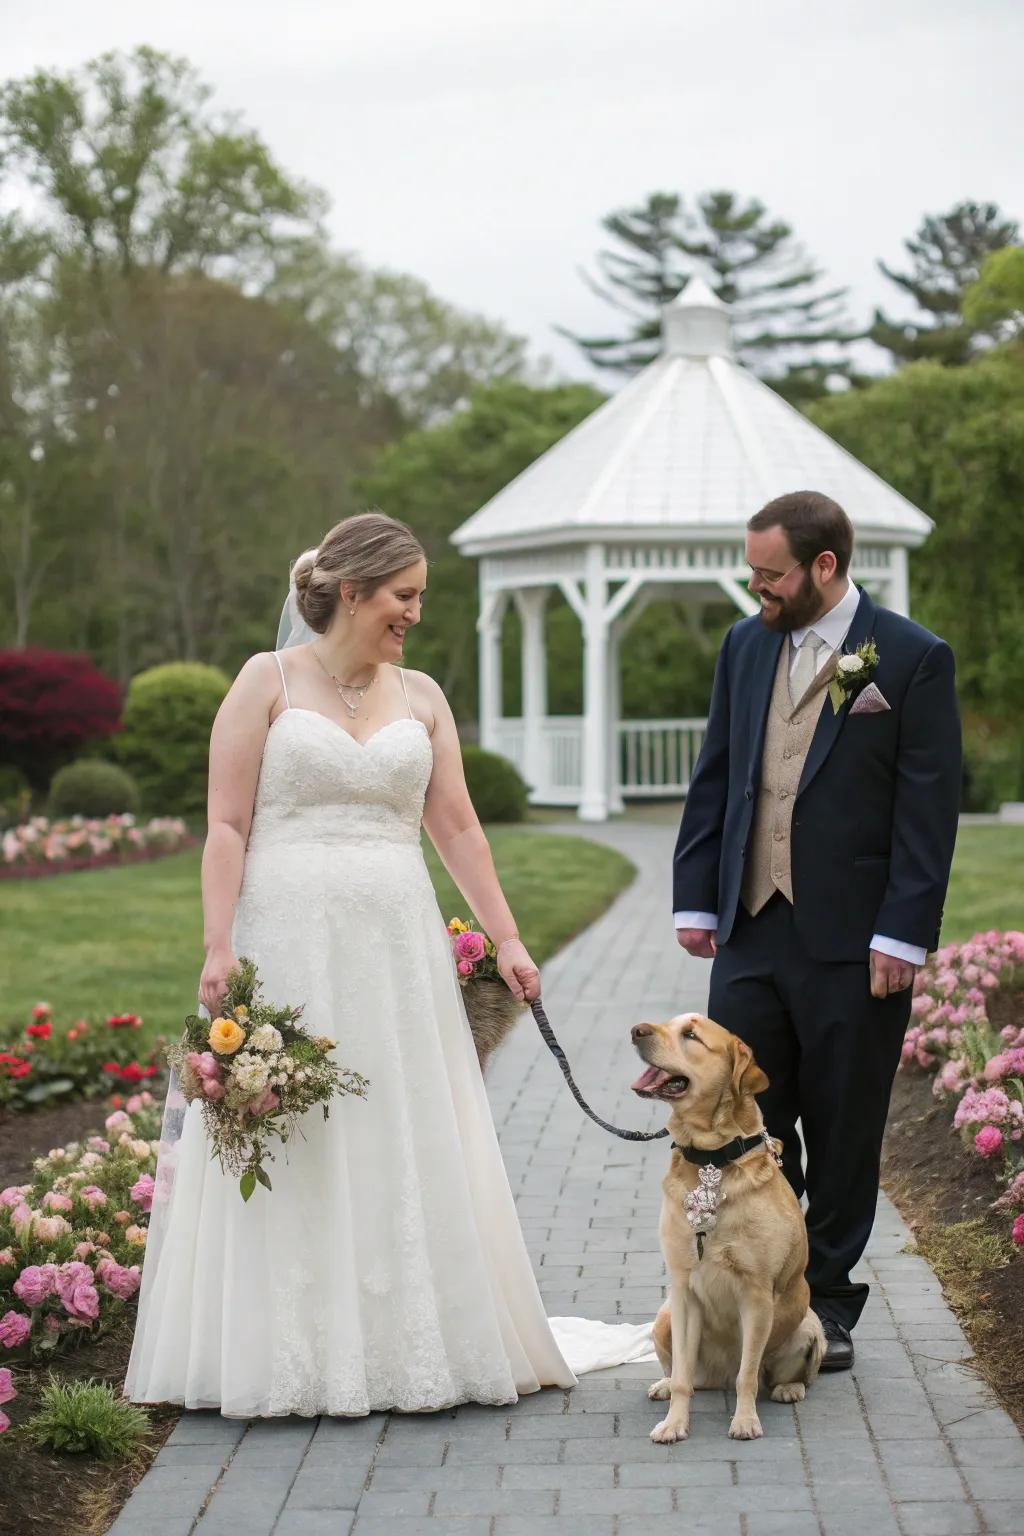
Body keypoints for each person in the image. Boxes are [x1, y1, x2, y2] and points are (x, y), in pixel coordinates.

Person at [125, 511, 650, 1416]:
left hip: (396, 945)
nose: (414, 613)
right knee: (294, 1122)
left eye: (419, 599)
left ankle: (410, 1336)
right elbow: (227, 824)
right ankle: (290, 1345)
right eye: (404, 596)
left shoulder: (425, 697)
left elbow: (456, 827)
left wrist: (512, 940)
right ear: (355, 590)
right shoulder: (266, 682)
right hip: (287, 934)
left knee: (402, 1119)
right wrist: (218, 944)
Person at [672, 491, 960, 1371]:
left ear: (824, 568)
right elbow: (718, 771)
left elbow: (928, 806)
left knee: (843, 1125)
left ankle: (826, 1302)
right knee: (749, 1117)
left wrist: (903, 936)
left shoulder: (909, 659)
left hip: (857, 942)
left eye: (770, 573)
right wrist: (697, 896)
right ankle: (758, 1288)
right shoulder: (744, 645)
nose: (755, 585)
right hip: (753, 927)